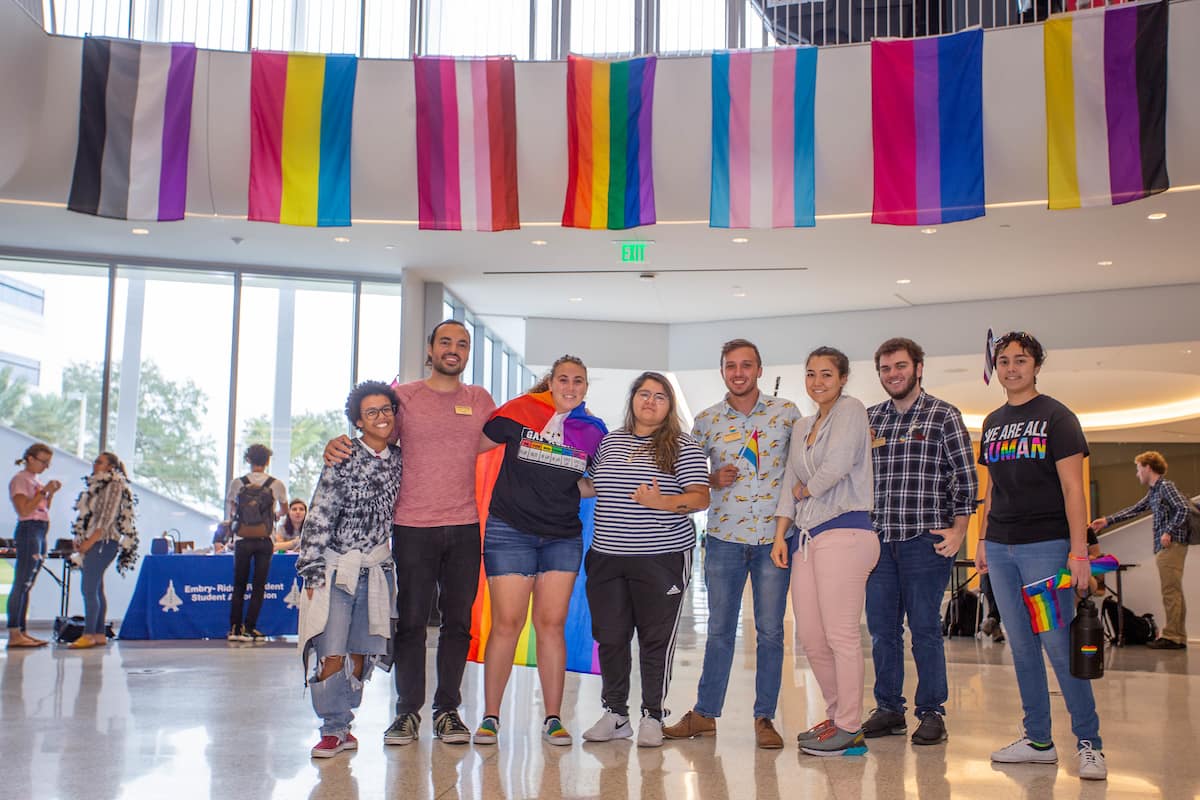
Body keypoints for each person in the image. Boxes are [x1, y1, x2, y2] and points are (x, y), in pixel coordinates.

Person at [323, 319, 497, 746]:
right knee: (412, 624)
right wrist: (337, 443)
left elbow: (503, 440)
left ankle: (448, 711)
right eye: (446, 342)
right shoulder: (405, 398)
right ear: (431, 349)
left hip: (464, 525)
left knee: (458, 624)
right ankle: (406, 714)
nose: (454, 349)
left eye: (462, 344)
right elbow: (374, 434)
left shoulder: (479, 399)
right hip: (413, 527)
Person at [976, 331, 1106, 781]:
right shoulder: (992, 421)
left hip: (1046, 547)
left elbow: (1074, 489)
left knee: (1056, 645)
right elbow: (991, 488)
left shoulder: (1057, 416)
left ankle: (1089, 743)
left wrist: (1079, 552)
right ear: (996, 368)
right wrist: (980, 541)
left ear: (1036, 366)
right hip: (1000, 545)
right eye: (1005, 361)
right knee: (1022, 647)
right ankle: (1038, 740)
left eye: (1021, 360)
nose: (1012, 368)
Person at [663, 339, 800, 749]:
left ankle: (765, 719)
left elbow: (801, 467)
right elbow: (681, 475)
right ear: (722, 371)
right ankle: (705, 714)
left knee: (771, 632)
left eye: (746, 365)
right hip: (724, 538)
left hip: (773, 541)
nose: (738, 372)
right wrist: (710, 479)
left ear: (759, 369)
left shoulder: (786, 414)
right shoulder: (705, 422)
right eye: (730, 366)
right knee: (720, 631)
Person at [471, 355, 607, 747]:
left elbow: (594, 481)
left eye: (578, 380)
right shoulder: (520, 410)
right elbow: (470, 446)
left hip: (562, 537)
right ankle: (490, 718)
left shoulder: (593, 430)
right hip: (509, 531)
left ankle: (553, 719)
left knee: (551, 625)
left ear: (585, 387)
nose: (570, 386)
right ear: (551, 381)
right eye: (563, 378)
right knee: (507, 623)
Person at [581, 372, 710, 748]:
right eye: (643, 394)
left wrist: (661, 502)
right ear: (632, 399)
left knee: (655, 640)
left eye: (659, 396)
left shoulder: (681, 446)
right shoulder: (611, 441)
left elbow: (700, 498)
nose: (650, 401)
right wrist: (544, 483)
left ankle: (653, 715)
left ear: (669, 406)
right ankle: (616, 714)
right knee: (610, 637)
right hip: (606, 556)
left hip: (661, 557)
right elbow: (593, 485)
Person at [862, 338, 978, 745]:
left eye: (900, 366)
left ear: (918, 368)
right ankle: (889, 708)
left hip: (925, 542)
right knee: (882, 631)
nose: (893, 374)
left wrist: (960, 529)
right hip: (879, 543)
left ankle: (932, 712)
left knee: (925, 628)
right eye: (885, 369)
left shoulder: (944, 415)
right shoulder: (870, 419)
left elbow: (965, 479)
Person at [771, 346, 877, 757]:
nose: (818, 382)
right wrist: (781, 533)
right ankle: (837, 717)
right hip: (807, 539)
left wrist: (806, 489)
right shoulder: (801, 426)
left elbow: (838, 464)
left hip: (847, 532)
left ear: (843, 378)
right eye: (811, 374)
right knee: (812, 639)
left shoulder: (851, 411)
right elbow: (787, 484)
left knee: (841, 635)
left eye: (827, 374)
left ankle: (851, 726)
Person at [297, 381, 405, 758]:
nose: (381, 417)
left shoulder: (399, 459)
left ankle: (345, 725)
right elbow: (320, 511)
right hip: (335, 567)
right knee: (330, 648)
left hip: (377, 568)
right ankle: (330, 728)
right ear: (358, 422)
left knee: (362, 650)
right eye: (372, 412)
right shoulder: (342, 456)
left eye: (386, 409)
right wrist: (311, 567)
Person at [1091, 451, 1193, 650]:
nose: (1137, 474)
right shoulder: (1155, 491)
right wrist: (1107, 520)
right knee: (1173, 591)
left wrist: (1168, 532)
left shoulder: (1165, 486)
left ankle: (1173, 637)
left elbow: (1183, 508)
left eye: (1138, 469)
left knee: (1170, 592)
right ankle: (1177, 636)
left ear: (1147, 467)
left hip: (1171, 547)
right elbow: (1135, 509)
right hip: (1166, 547)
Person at [68, 452, 138, 649]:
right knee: (96, 588)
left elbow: (106, 518)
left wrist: (89, 541)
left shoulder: (114, 485)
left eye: (100, 462)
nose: (95, 464)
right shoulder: (96, 485)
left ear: (110, 467)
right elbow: (88, 516)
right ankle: (98, 633)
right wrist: (80, 536)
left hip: (103, 541)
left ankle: (88, 634)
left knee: (89, 589)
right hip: (94, 540)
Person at [225, 444, 288, 643]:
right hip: (265, 540)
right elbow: (284, 509)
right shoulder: (275, 484)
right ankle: (250, 629)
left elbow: (232, 510)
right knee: (259, 586)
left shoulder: (238, 483)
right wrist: (274, 515)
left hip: (242, 539)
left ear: (249, 460)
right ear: (267, 461)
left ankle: (235, 629)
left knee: (239, 584)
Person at [7, 443, 62, 648]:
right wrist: (43, 491)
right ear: (30, 458)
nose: (46, 466)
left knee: (28, 583)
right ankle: (14, 632)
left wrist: (50, 494)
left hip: (40, 529)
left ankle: (22, 630)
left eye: (48, 463)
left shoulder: (35, 480)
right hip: (29, 529)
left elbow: (42, 508)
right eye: (43, 461)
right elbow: (24, 510)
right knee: (21, 582)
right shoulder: (20, 480)